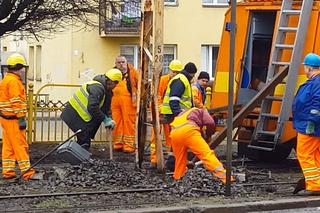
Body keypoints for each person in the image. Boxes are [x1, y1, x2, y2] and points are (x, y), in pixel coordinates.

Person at [61, 69, 123, 150]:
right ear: (112, 81)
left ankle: (77, 157)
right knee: (84, 142)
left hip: (81, 117)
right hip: (74, 114)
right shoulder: (97, 88)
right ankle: (80, 159)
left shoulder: (107, 91)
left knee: (83, 141)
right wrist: (105, 119)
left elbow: (106, 108)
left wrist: (110, 119)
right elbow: (92, 107)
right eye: (116, 83)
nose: (116, 86)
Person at [170, 107, 230, 184]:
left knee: (180, 159)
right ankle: (225, 178)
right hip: (189, 131)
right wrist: (209, 134)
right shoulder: (202, 111)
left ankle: (178, 178)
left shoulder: (185, 113)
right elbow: (210, 123)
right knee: (207, 154)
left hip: (174, 133)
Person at [0, 53, 35, 180]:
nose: (23, 71)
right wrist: (21, 119)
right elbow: (16, 101)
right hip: (14, 119)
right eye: (22, 69)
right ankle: (27, 173)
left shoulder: (6, 80)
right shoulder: (14, 82)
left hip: (5, 118)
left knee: (8, 146)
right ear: (18, 67)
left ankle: (8, 171)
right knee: (20, 145)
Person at [161, 62, 197, 170]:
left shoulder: (182, 79)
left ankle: (174, 163)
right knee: (180, 138)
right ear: (191, 74)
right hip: (176, 113)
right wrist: (179, 114)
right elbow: (174, 99)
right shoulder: (181, 80)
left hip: (177, 113)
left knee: (179, 139)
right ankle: (173, 163)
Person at [292, 53, 320, 195]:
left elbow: (317, 104)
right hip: (310, 126)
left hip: (309, 127)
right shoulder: (315, 81)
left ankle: (315, 186)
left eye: (305, 67)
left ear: (309, 68)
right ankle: (317, 183)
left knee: (305, 155)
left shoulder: (317, 82)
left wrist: (311, 123)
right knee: (315, 156)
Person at [150, 60, 183, 167]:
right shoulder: (163, 80)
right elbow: (157, 96)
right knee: (155, 136)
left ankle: (171, 159)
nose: (175, 74)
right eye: (173, 72)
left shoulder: (179, 81)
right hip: (160, 112)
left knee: (172, 136)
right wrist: (160, 110)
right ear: (170, 70)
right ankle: (154, 159)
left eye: (177, 72)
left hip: (171, 113)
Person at [111, 56, 139, 153]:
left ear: (126, 62)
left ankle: (129, 145)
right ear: (116, 64)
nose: (121, 64)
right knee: (116, 122)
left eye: (123, 62)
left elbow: (140, 84)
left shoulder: (133, 72)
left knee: (129, 122)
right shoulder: (112, 72)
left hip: (129, 101)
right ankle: (118, 144)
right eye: (119, 62)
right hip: (115, 100)